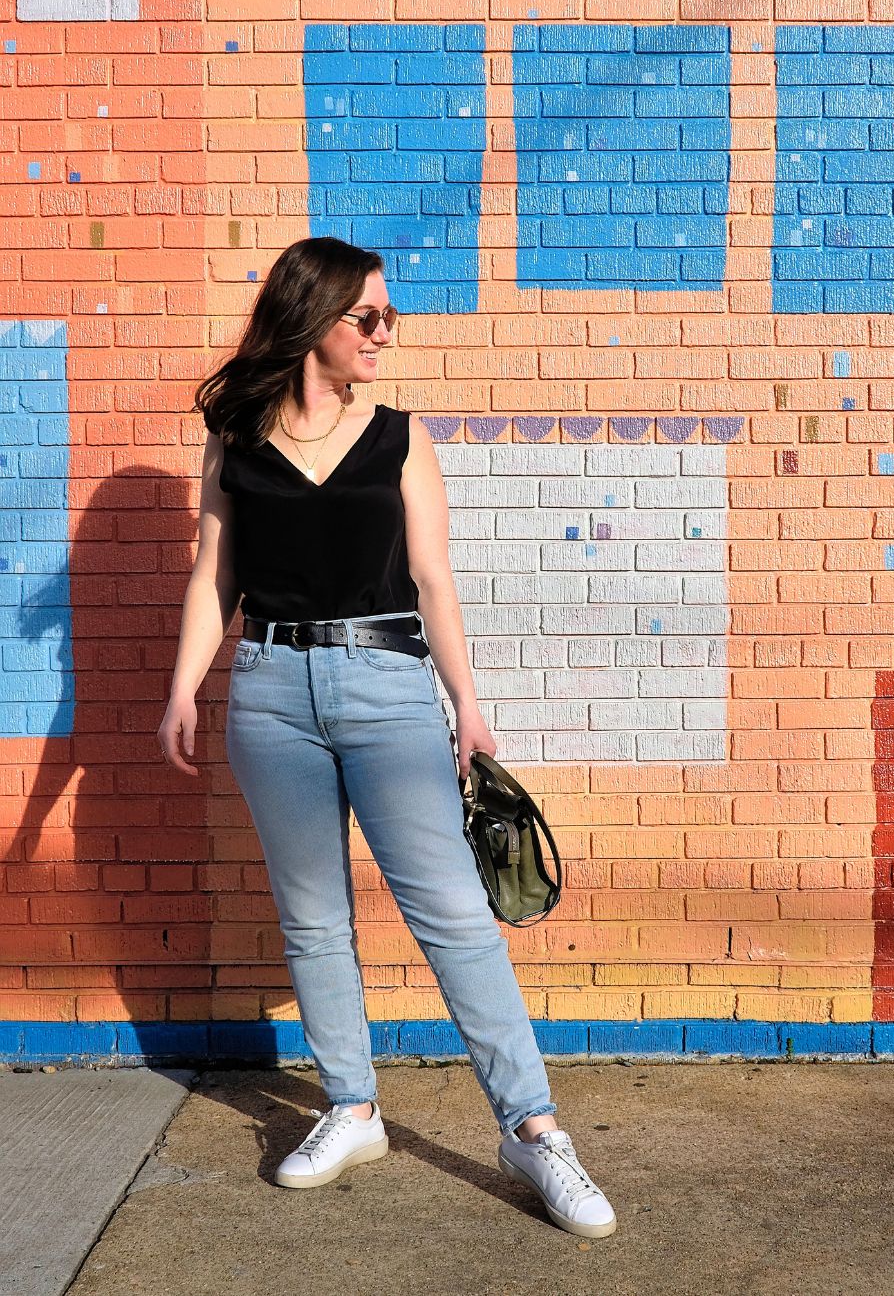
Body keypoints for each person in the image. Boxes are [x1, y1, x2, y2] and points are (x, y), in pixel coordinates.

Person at [155, 236, 616, 1239]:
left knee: (452, 911)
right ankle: (352, 1107)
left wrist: (470, 706)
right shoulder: (233, 432)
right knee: (313, 916)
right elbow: (212, 575)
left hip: (388, 686)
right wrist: (184, 687)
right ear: (312, 319)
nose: (383, 332)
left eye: (387, 316)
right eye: (367, 316)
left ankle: (533, 1130)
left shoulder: (400, 438)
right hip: (270, 690)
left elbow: (436, 579)